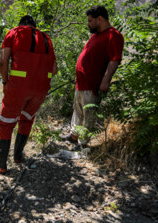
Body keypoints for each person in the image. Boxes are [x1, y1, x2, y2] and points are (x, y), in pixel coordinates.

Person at [0, 15, 58, 174]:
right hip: (41, 88)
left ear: (21, 24)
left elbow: (2, 62)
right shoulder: (47, 38)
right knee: (27, 119)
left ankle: (1, 163)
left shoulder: (14, 32)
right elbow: (54, 69)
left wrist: (5, 82)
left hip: (18, 87)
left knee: (7, 122)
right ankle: (18, 156)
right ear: (34, 26)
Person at [61, 6, 124, 146]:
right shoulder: (96, 35)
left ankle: (83, 143)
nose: (88, 24)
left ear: (100, 19)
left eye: (90, 21)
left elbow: (115, 60)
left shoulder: (113, 35)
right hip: (81, 83)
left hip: (92, 85)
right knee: (77, 111)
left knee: (89, 114)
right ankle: (74, 136)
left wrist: (105, 81)